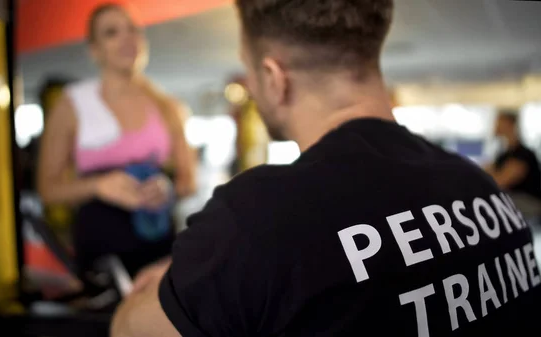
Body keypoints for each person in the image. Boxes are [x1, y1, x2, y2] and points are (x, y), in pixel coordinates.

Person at [112, 1, 541, 336]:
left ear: (274, 77)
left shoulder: (258, 217)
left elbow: (129, 330)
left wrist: (182, 277)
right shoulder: (483, 189)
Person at [37, 4, 196, 279]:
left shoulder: (167, 106)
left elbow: (188, 181)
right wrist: (99, 186)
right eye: (111, 33)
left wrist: (167, 188)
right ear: (94, 49)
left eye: (133, 30)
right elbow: (48, 190)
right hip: (101, 253)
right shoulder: (72, 104)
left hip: (158, 248)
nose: (127, 39)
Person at [485, 110, 541, 201]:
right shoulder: (504, 154)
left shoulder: (523, 154)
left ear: (509, 124)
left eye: (499, 121)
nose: (495, 125)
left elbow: (500, 182)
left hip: (528, 201)